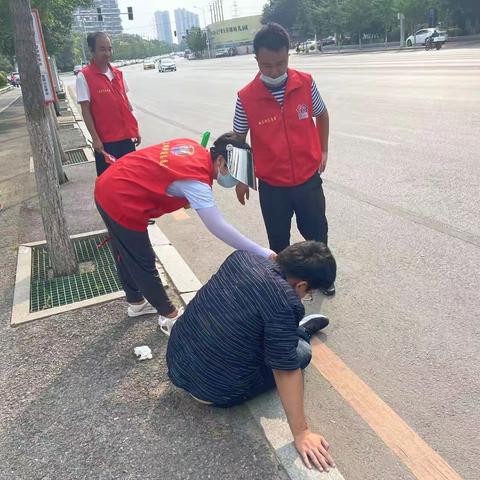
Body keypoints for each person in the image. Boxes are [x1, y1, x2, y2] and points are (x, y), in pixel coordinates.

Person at [167, 241, 337, 472]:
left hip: (177, 361)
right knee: (301, 354)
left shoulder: (241, 258)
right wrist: (301, 433)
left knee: (270, 327)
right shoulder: (285, 300)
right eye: (308, 294)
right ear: (301, 285)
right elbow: (285, 371)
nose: (305, 297)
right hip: (212, 390)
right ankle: (299, 332)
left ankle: (289, 331)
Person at [94, 133, 274, 329]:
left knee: (124, 251)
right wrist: (263, 252)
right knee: (141, 260)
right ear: (220, 160)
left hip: (111, 181)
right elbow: (218, 227)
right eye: (234, 172)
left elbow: (165, 173)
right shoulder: (196, 182)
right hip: (121, 197)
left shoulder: (192, 148)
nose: (234, 179)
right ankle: (170, 317)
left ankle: (136, 303)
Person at [232, 22, 335, 295]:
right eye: (267, 65)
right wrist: (241, 179)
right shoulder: (246, 97)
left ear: (289, 55)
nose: (275, 71)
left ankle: (322, 280)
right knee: (278, 241)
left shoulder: (305, 83)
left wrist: (323, 150)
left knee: (317, 234)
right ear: (256, 60)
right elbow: (238, 138)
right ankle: (284, 286)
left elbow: (321, 115)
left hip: (307, 180)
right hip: (272, 186)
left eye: (280, 63)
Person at [76, 32, 140, 176]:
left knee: (132, 180)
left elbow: (126, 103)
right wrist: (95, 139)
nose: (107, 53)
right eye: (102, 49)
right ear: (92, 51)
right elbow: (85, 111)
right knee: (110, 183)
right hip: (106, 144)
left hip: (126, 140)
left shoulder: (117, 74)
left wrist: (135, 129)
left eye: (109, 49)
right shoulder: (84, 76)